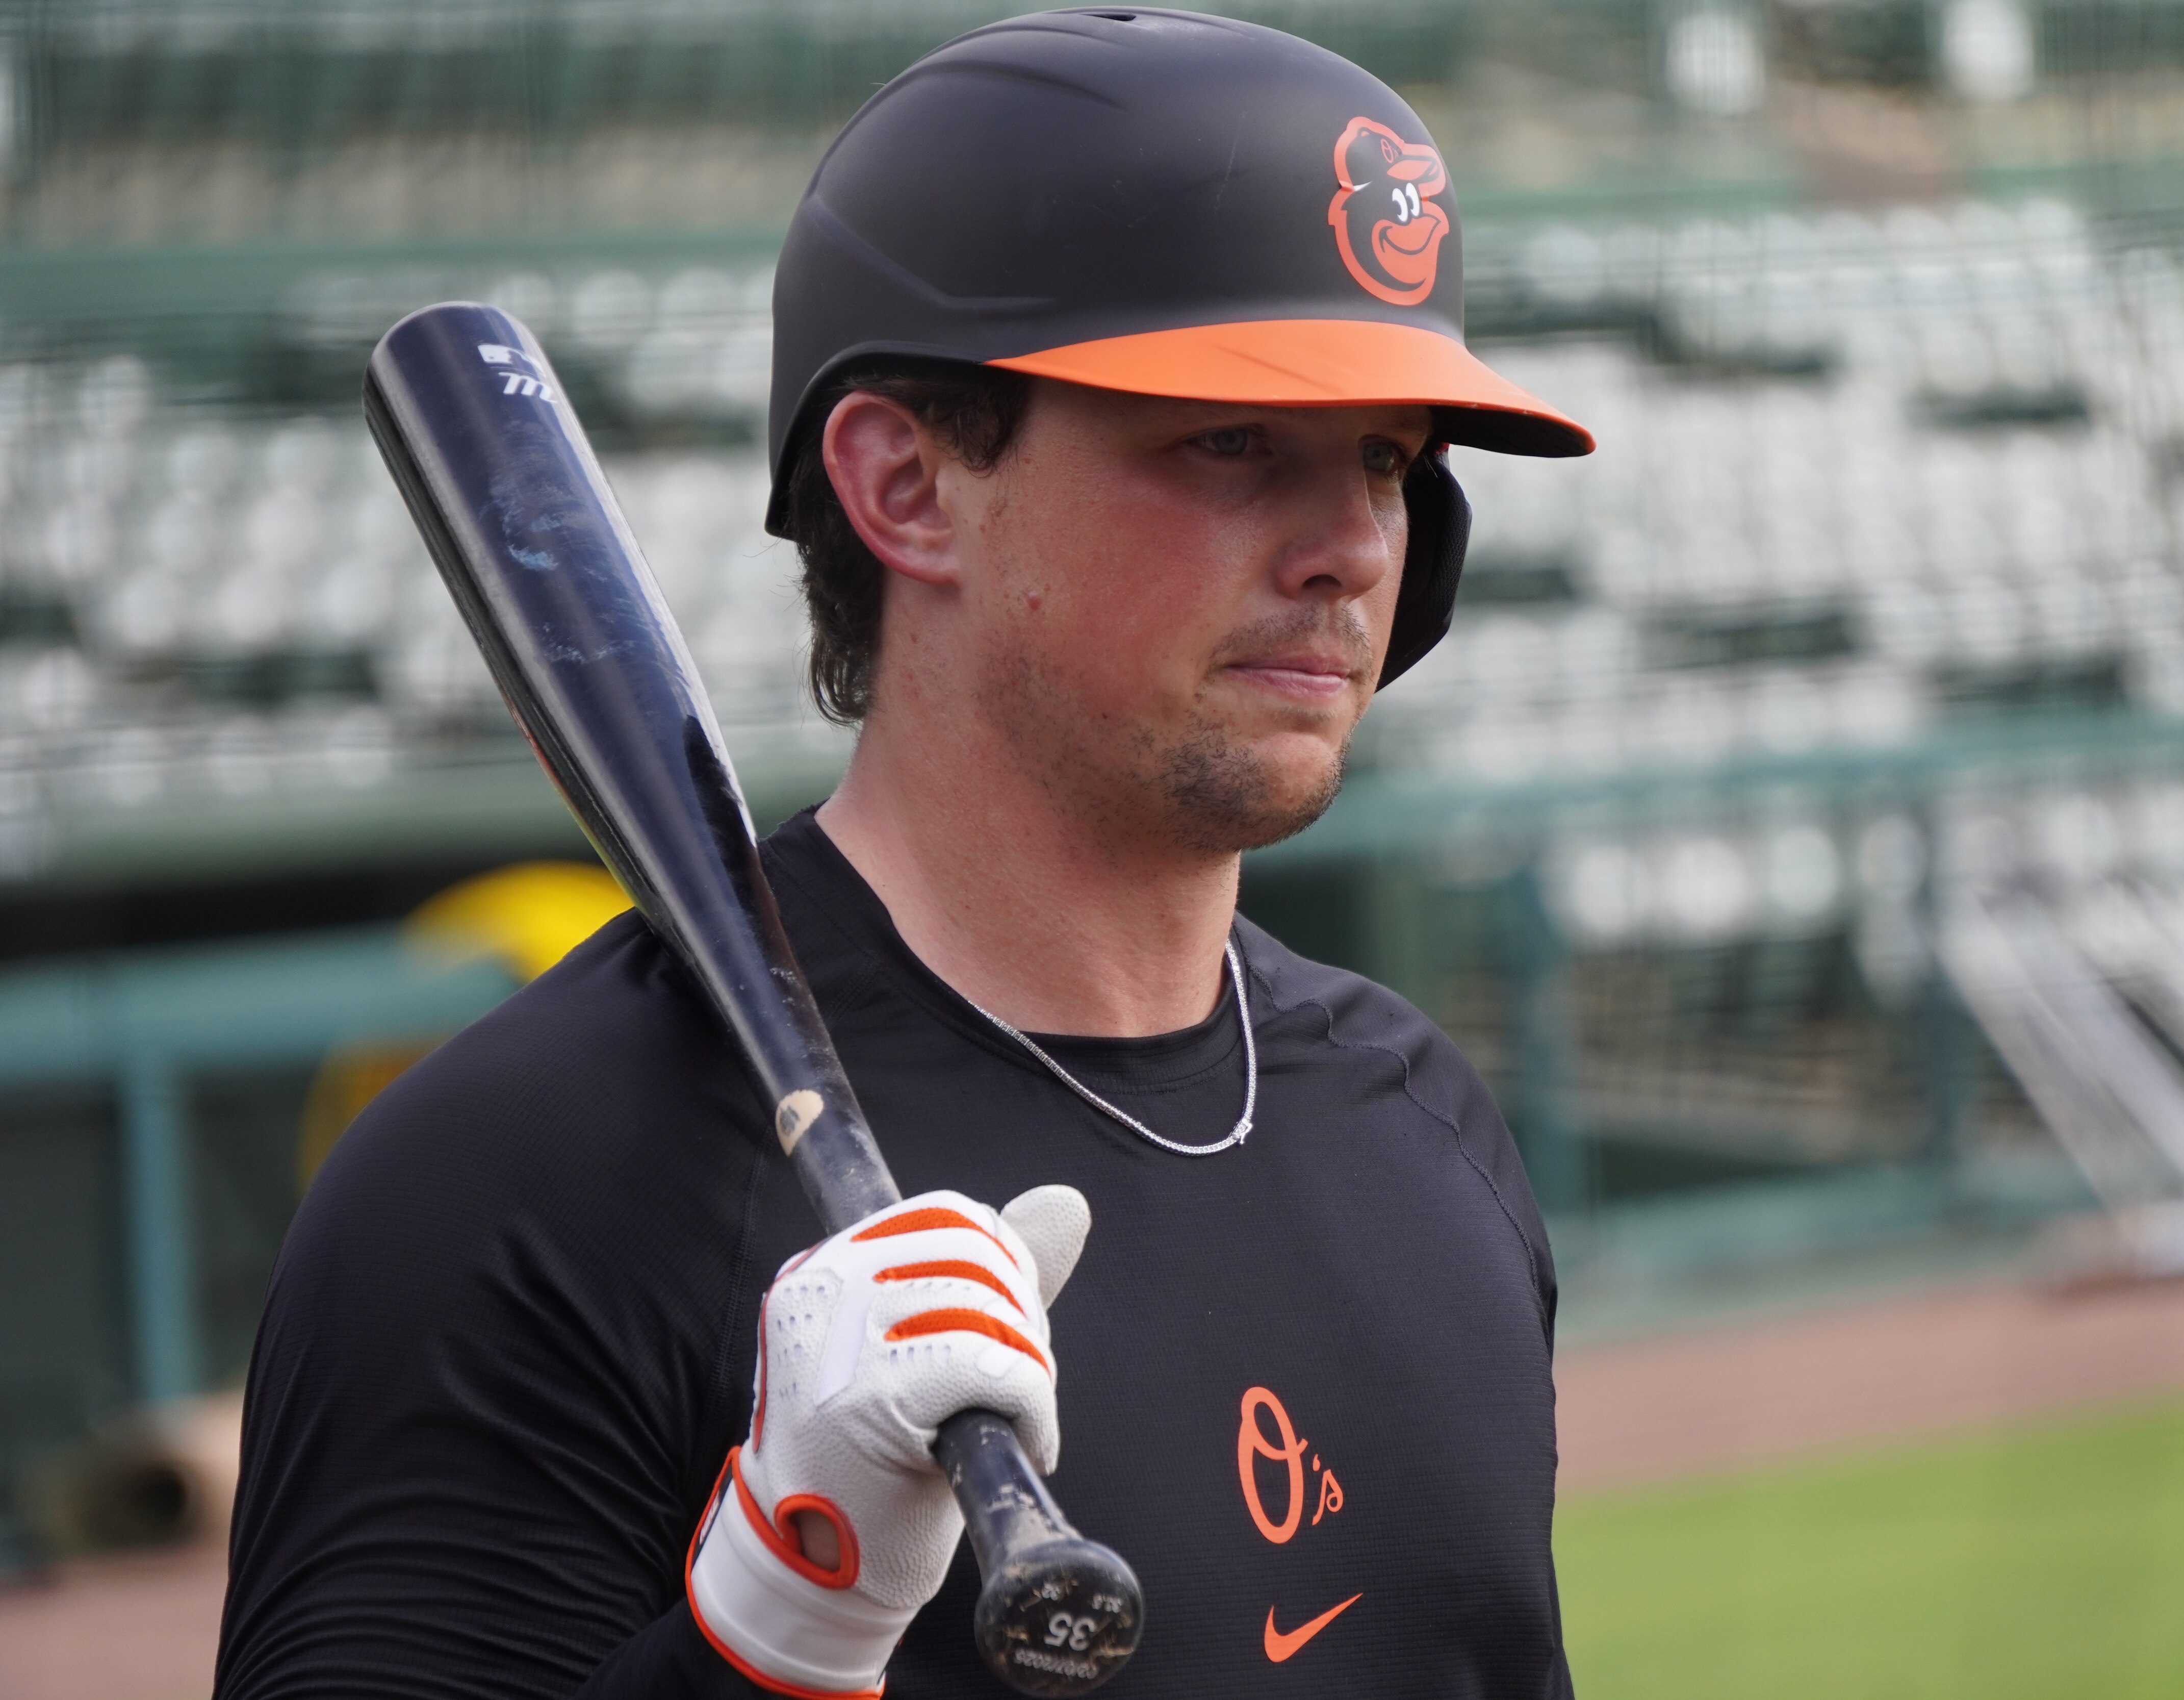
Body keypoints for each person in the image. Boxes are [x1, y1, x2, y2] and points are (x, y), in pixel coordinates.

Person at [215, 9, 1591, 1697]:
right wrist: (771, 1632)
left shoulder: (1419, 1122)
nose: (1350, 549)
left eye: (1387, 460)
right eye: (1233, 443)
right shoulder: (523, 1185)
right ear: (905, 483)